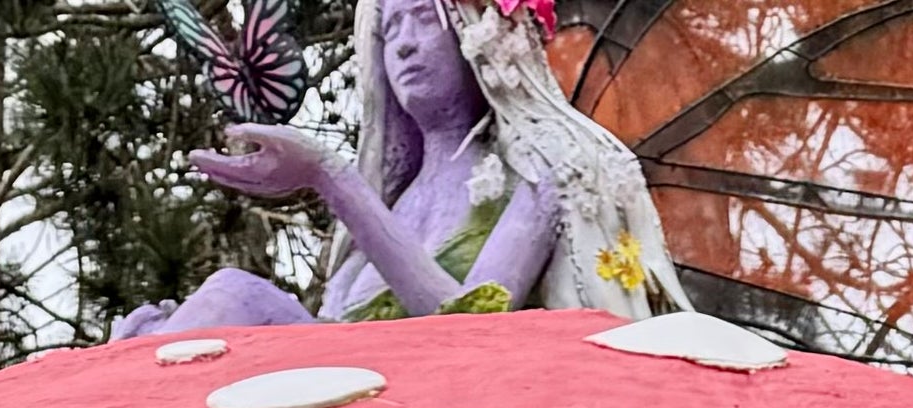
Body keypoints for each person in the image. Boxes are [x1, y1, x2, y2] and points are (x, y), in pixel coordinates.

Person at [117, 0, 682, 339]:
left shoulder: (542, 174)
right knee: (229, 295)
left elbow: (473, 326)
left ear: (478, 34)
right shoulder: (397, 198)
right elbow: (331, 339)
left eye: (421, 20)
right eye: (391, 31)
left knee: (238, 296)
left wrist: (332, 179)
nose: (406, 47)